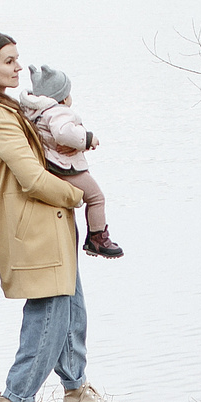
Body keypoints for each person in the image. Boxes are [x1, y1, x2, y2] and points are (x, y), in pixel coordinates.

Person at [0, 31, 129, 402]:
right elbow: (31, 177)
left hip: (51, 223)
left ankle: (75, 391)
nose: (17, 68)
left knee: (72, 307)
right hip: (34, 227)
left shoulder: (13, 108)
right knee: (49, 315)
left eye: (17, 59)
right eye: (8, 61)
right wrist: (77, 196)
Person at [21, 64, 121, 258]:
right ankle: (97, 238)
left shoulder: (35, 112)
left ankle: (94, 238)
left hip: (50, 165)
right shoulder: (58, 111)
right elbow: (64, 133)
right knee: (96, 197)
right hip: (64, 167)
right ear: (63, 97)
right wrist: (88, 139)